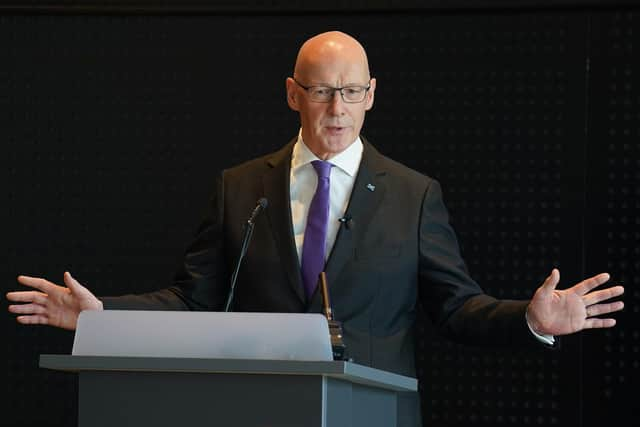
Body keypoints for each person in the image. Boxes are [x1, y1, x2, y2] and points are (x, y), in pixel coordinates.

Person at [7, 31, 624, 426]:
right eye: (323, 91)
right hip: (253, 412)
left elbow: (457, 308)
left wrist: (531, 319)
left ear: (372, 95)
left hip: (374, 415)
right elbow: (193, 300)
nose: (337, 109)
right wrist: (100, 314)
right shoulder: (240, 188)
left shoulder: (414, 195)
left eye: (352, 92)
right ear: (292, 94)